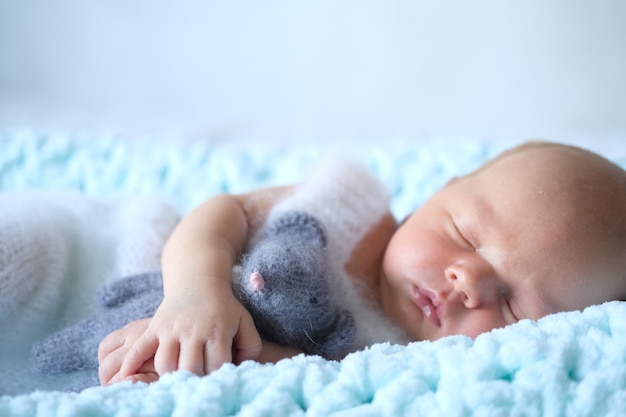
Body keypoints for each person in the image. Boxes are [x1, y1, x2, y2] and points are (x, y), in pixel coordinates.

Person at [98, 140, 626, 385]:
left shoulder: (396, 365)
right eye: (464, 235)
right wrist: (197, 290)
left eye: (511, 305)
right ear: (436, 195)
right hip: (120, 247)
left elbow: (274, 366)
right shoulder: (352, 213)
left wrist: (188, 368)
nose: (467, 282)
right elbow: (224, 211)